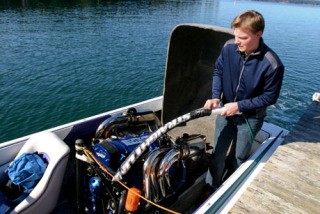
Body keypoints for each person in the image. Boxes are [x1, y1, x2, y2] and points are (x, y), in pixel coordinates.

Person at [203, 10, 284, 191]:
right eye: (235, 35)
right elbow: (218, 71)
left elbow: (270, 97)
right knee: (217, 154)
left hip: (250, 118)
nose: (237, 41)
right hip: (225, 111)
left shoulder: (272, 64)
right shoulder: (228, 47)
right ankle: (210, 188)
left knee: (238, 157)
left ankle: (228, 188)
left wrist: (239, 106)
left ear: (258, 34)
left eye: (243, 38)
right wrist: (216, 96)